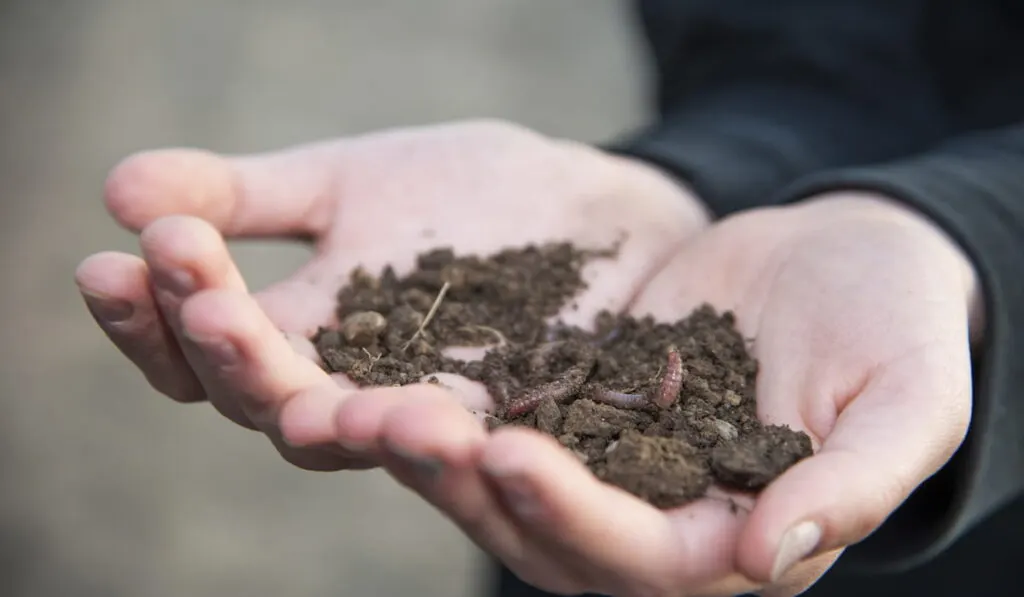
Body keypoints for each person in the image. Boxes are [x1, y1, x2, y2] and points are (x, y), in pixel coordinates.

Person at [74, 0, 1024, 595]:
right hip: (574, 528)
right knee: (546, 498)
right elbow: (796, 54)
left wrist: (979, 235)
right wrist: (711, 173)